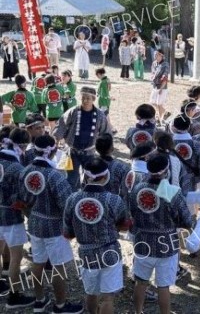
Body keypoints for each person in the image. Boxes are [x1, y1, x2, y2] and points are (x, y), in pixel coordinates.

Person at [18, 135, 83, 314]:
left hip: (34, 223)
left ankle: (39, 299)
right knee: (58, 266)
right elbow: (66, 205)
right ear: (53, 151)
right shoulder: (56, 176)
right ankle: (60, 305)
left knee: (37, 262)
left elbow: (23, 199)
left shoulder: (26, 171)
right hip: (54, 227)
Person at [129, 152, 194, 314]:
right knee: (163, 286)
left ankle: (138, 311)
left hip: (142, 242)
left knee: (141, 281)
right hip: (167, 244)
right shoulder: (170, 191)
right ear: (166, 171)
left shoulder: (137, 188)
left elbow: (132, 213)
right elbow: (186, 220)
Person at [63, 157, 128, 314]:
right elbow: (124, 226)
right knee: (108, 298)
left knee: (91, 293)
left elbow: (67, 233)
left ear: (84, 176)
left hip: (86, 254)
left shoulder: (72, 199)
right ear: (106, 176)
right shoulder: (114, 200)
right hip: (110, 252)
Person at [0, 128, 34, 309]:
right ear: (22, 145)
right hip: (12, 217)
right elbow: (26, 196)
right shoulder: (18, 168)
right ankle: (14, 296)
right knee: (15, 258)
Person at [53, 87, 110, 190]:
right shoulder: (73, 111)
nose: (85, 100)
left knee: (90, 177)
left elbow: (105, 133)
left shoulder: (100, 115)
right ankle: (73, 196)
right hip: (72, 151)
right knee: (72, 178)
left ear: (93, 99)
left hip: (90, 152)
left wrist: (105, 149)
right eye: (83, 98)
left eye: (88, 98)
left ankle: (85, 194)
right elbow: (62, 124)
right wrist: (57, 138)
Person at [150, 50, 170, 125]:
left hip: (162, 87)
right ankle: (166, 113)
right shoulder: (154, 63)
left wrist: (161, 88)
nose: (156, 57)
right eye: (155, 55)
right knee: (152, 102)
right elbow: (152, 73)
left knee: (159, 103)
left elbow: (165, 77)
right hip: (155, 85)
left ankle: (159, 119)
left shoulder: (165, 64)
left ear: (162, 56)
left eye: (157, 55)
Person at [95, 67, 114, 132]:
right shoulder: (108, 79)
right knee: (106, 115)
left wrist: (108, 97)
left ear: (99, 74)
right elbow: (109, 89)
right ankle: (111, 128)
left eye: (97, 75)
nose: (97, 77)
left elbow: (103, 94)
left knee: (103, 115)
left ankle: (110, 128)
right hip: (107, 101)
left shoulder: (102, 82)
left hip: (102, 101)